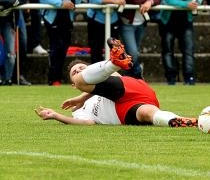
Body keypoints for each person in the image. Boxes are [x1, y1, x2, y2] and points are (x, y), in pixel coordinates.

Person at [34, 38, 197, 127]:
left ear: (92, 69)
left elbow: (112, 80)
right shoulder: (78, 111)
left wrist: (82, 96)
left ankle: (115, 62)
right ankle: (188, 122)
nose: (79, 71)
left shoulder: (95, 84)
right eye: (74, 72)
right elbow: (87, 123)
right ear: (73, 87)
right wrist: (56, 115)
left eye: (82, 68)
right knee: (147, 114)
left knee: (106, 77)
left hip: (128, 88)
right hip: (127, 109)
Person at [40, 0, 84, 86]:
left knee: (64, 47)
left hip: (68, 15)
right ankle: (53, 79)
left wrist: (70, 3)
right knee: (55, 47)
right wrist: (61, 2)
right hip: (52, 15)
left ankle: (58, 77)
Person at [160, 0, 203, 85]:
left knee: (188, 49)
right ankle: (171, 78)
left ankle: (189, 78)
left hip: (186, 18)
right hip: (169, 18)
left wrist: (195, 2)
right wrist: (186, 4)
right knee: (168, 49)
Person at [121, 0, 163, 79]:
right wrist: (145, 3)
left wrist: (150, 2)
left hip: (142, 20)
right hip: (128, 21)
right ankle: (138, 76)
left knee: (133, 53)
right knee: (133, 52)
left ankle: (129, 79)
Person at [0, 0, 28, 86]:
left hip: (9, 20)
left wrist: (6, 2)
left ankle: (7, 79)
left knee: (11, 53)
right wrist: (12, 2)